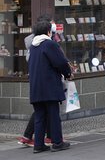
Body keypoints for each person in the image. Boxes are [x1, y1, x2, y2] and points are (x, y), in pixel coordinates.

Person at [28, 19, 72, 153]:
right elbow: (60, 63)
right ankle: (57, 142)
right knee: (53, 115)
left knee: (40, 116)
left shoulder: (32, 46)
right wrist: (68, 73)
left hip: (35, 87)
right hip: (49, 86)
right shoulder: (49, 45)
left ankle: (38, 145)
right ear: (48, 31)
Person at [18, 16, 54, 147]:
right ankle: (39, 137)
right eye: (51, 24)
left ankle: (39, 139)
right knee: (45, 109)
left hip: (37, 81)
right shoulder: (42, 43)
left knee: (43, 109)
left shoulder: (35, 43)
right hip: (46, 81)